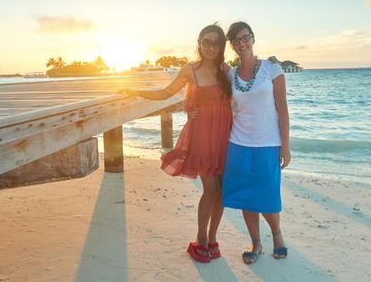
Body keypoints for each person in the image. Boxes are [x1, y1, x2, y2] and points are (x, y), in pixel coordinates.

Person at [120, 24, 232, 263]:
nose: (211, 47)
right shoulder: (190, 69)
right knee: (211, 190)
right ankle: (201, 239)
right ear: (199, 43)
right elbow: (165, 93)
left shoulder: (226, 69)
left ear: (222, 45)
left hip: (225, 136)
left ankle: (213, 239)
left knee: (223, 192)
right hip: (202, 136)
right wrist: (135, 91)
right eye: (206, 42)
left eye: (216, 43)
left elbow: (244, 95)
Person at [222, 21, 291, 264]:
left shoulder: (272, 69)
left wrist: (286, 145)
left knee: (268, 194)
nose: (242, 43)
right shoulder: (229, 74)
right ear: (231, 45)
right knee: (246, 196)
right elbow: (206, 61)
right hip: (238, 143)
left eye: (245, 38)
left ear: (253, 38)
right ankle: (256, 243)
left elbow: (282, 110)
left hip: (268, 143)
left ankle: (277, 235)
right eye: (236, 40)